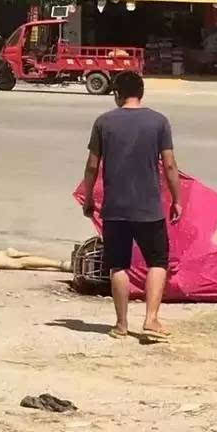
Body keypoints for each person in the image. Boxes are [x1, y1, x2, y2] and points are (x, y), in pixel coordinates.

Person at [81, 71, 182, 340]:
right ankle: (151, 320)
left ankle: (121, 325)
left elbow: (92, 166)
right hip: (149, 208)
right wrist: (177, 199)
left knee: (118, 265)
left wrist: (89, 197)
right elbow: (170, 164)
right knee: (157, 261)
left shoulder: (104, 122)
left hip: (115, 209)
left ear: (116, 93)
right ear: (142, 92)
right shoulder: (159, 121)